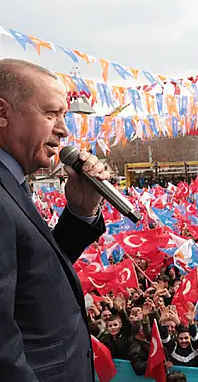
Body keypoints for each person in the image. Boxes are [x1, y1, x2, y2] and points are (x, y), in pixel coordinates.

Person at [0, 59, 109, 381]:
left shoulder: (13, 186)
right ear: (2, 114)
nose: (63, 129)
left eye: (64, 115)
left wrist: (80, 211)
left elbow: (35, 274)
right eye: (50, 114)